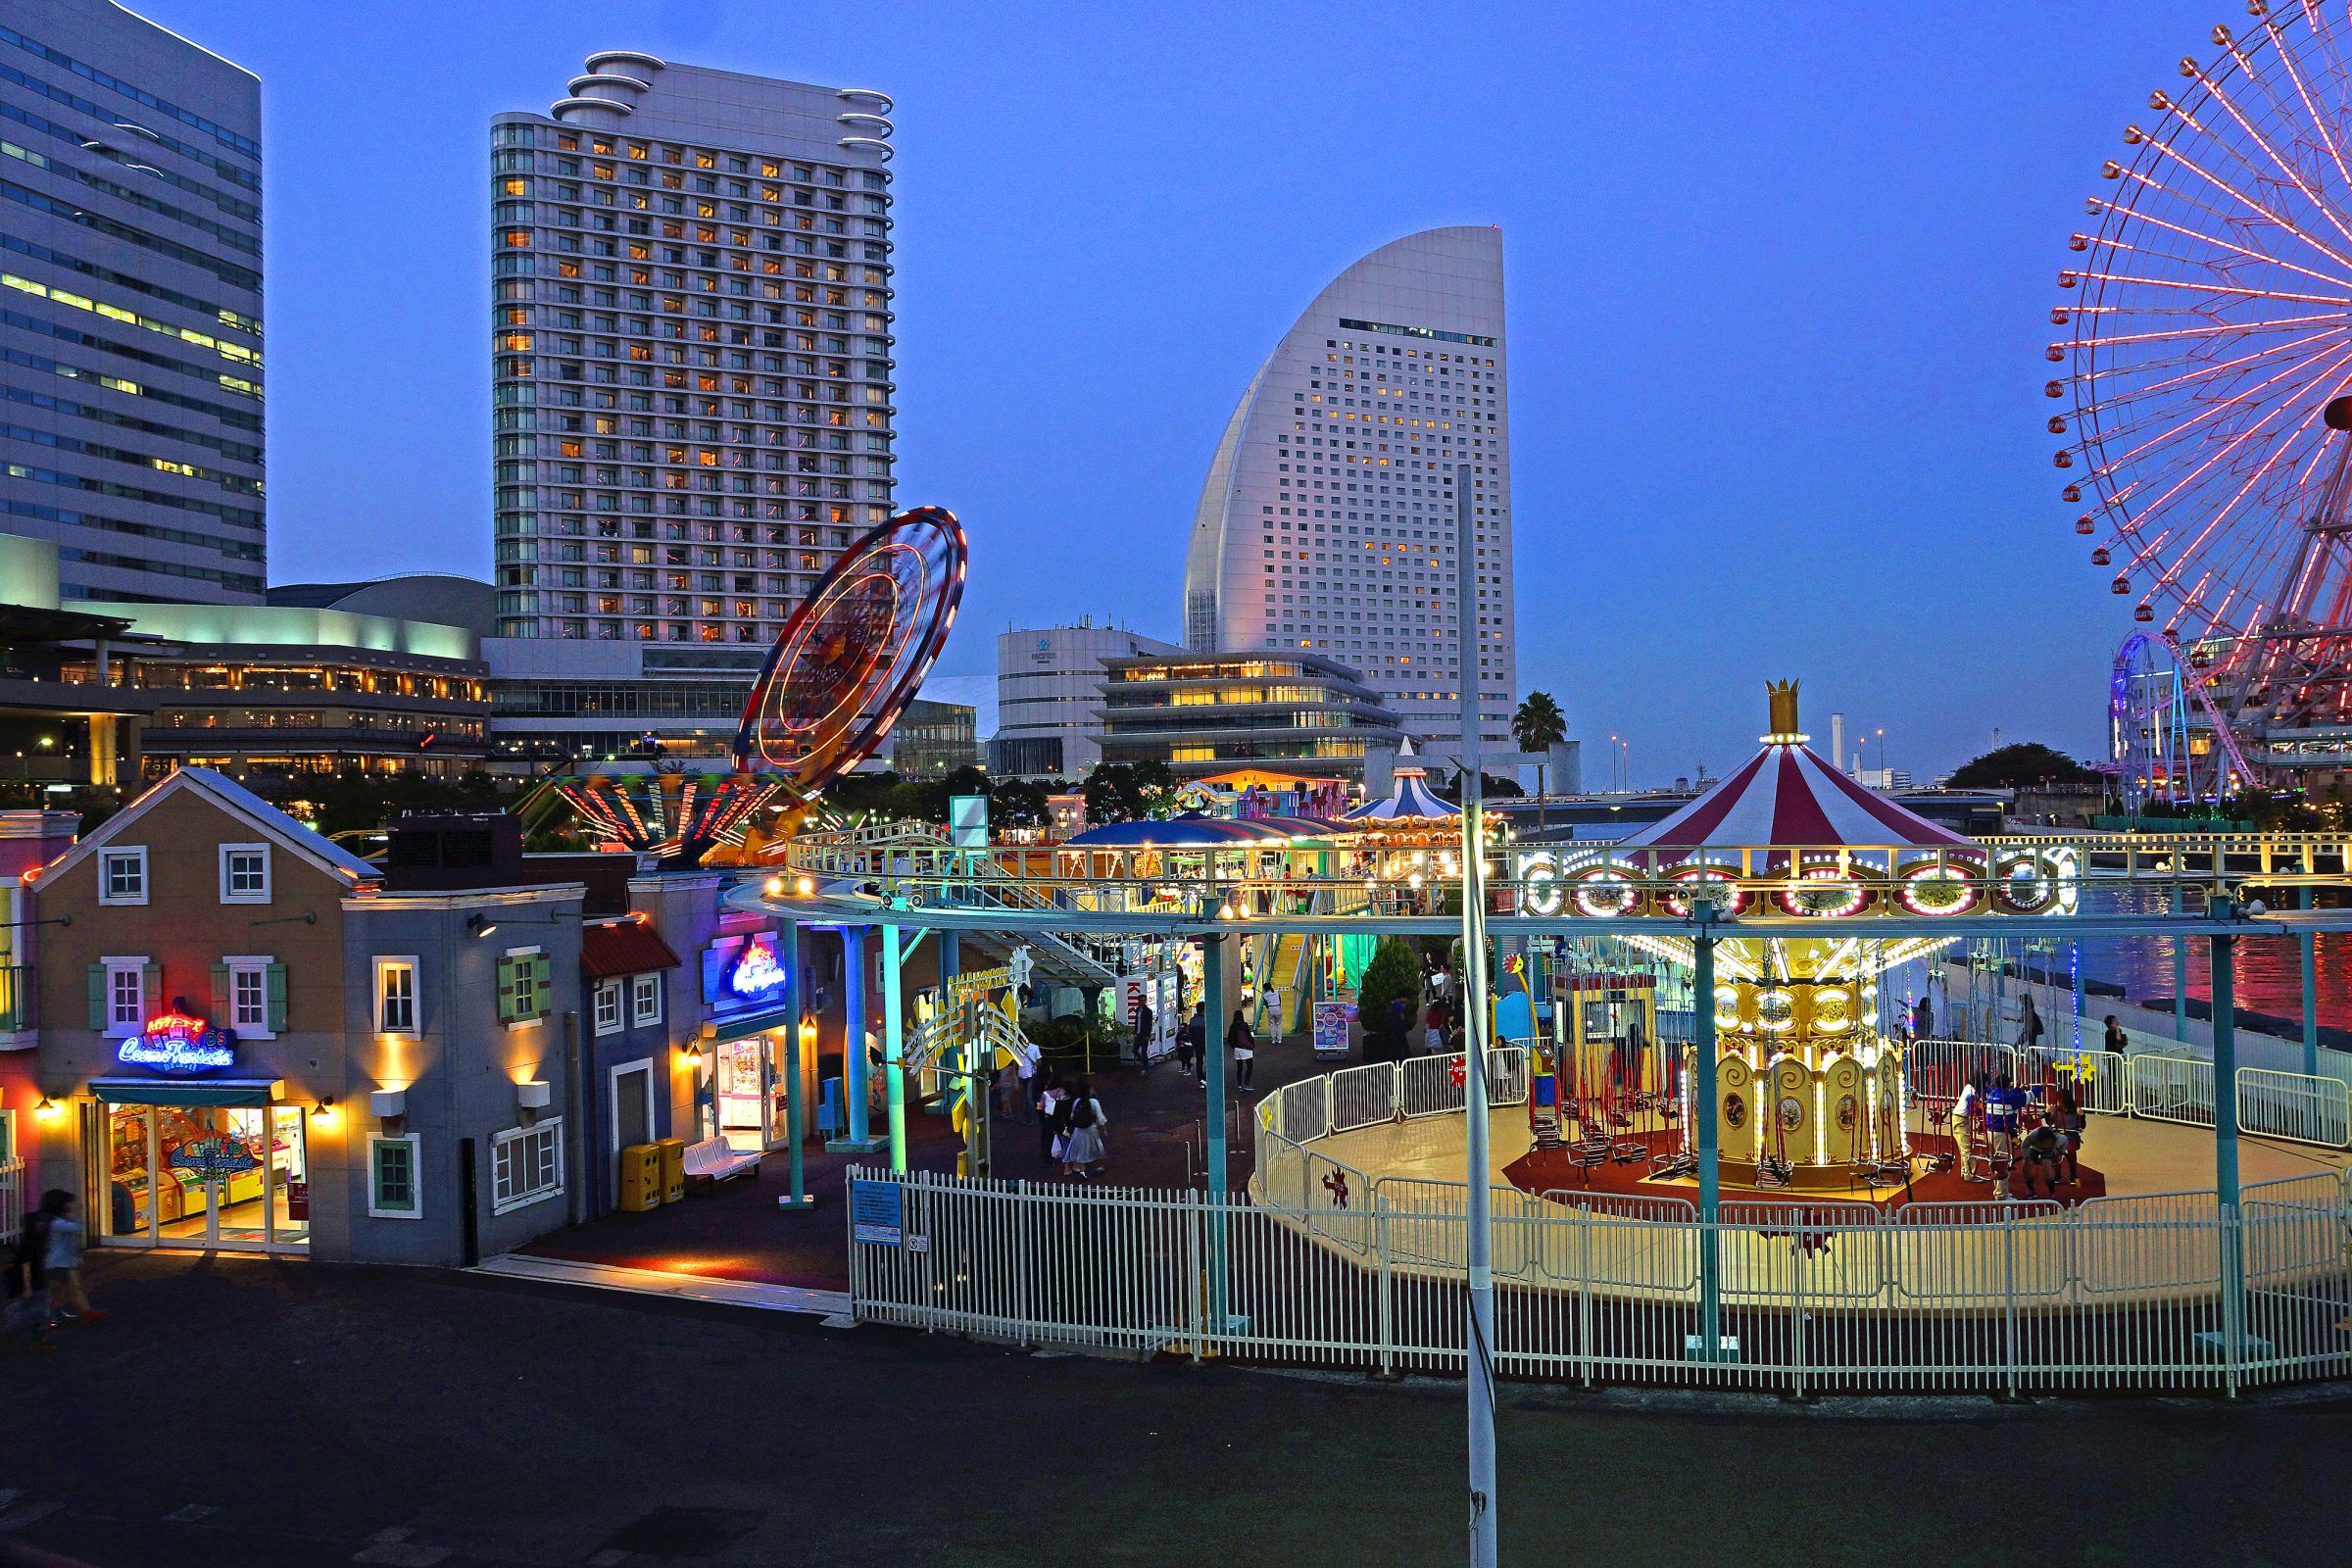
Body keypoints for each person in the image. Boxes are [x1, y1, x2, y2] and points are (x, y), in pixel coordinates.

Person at [38, 1191, 99, 1327]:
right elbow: (77, 1228)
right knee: (62, 1291)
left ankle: (62, 1315)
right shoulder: (58, 1224)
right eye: (69, 1202)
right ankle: (52, 1317)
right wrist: (78, 1212)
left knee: (66, 1290)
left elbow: (71, 1243)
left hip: (62, 1263)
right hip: (57, 1264)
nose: (71, 1204)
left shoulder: (58, 1222)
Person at [1059, 1077, 1107, 1179]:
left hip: (1079, 1130)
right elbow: (1100, 1118)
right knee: (1097, 1147)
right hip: (1091, 1129)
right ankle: (1099, 1166)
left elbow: (1072, 1116)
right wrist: (1104, 1130)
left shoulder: (1077, 1101)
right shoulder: (1094, 1102)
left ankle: (1082, 1172)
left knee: (1081, 1151)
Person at [2052, 1087, 2087, 1186]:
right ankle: (2057, 1175)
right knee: (2057, 1153)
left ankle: (2072, 1174)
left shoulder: (2075, 1110)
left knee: (2071, 1152)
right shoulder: (2056, 1109)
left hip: (2071, 1136)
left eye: (2059, 1101)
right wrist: (2047, 1113)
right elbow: (2050, 1122)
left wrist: (2081, 1115)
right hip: (2059, 1136)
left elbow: (2082, 1126)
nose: (2057, 1103)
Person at [1951, 1074, 1983, 1180]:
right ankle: (1968, 1175)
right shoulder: (1971, 1092)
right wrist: (1981, 1110)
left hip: (1960, 1118)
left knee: (1964, 1148)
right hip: (1960, 1120)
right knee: (1966, 1149)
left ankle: (1965, 1171)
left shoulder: (1968, 1087)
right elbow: (1972, 1109)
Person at [1035, 1075, 1066, 1162]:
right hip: (1059, 1117)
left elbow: (1040, 1106)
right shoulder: (1062, 1092)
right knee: (1062, 1137)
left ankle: (1048, 1157)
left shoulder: (1045, 1093)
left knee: (1049, 1137)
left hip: (1048, 1117)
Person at [1228, 1007, 1258, 1091]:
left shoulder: (1232, 1026)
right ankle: (1246, 1083)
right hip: (1246, 1049)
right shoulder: (1244, 1025)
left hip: (1237, 1049)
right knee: (1249, 1066)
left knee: (1239, 1067)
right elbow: (1249, 1036)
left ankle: (1239, 1085)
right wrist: (1252, 1045)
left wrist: (1234, 1046)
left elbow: (1230, 1038)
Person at [1175, 1007, 1202, 1078]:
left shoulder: (1187, 1034)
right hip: (1184, 1048)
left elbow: (1188, 1041)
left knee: (1187, 1059)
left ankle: (1188, 1070)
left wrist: (1182, 1044)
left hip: (1187, 1049)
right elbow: (1177, 1039)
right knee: (1183, 1059)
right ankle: (1184, 1068)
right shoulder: (1183, 1033)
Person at [1131, 997, 1155, 1072]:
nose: (1142, 1002)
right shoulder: (1138, 1009)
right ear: (1138, 1001)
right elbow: (1137, 1022)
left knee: (1144, 1052)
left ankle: (1145, 1068)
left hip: (1144, 1034)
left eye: (1144, 1000)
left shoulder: (1148, 1011)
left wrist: (1147, 1035)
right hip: (1138, 1034)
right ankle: (1144, 1062)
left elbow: (1149, 1024)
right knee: (1135, 1050)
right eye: (1141, 1000)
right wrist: (1135, 1030)